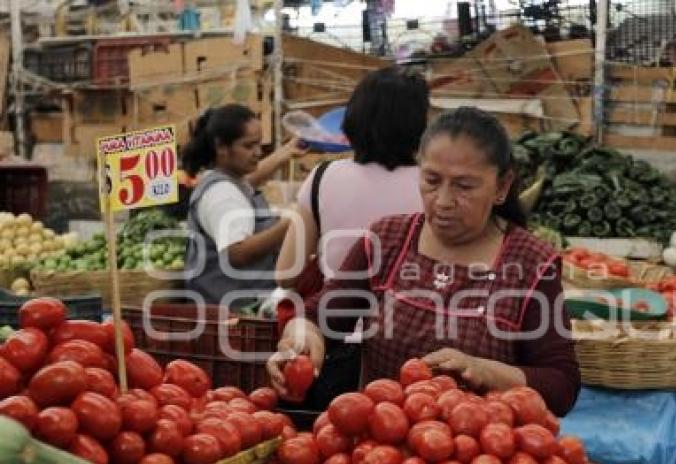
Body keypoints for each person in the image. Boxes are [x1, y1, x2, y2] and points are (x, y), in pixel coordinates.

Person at [267, 107, 581, 416]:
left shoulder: (530, 264)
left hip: (483, 459)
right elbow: (318, 313)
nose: (443, 201)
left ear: (501, 187)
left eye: (464, 186)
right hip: (382, 449)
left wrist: (484, 371)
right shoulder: (386, 239)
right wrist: (303, 335)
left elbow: (561, 386)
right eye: (431, 180)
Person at [274, 66, 429, 291]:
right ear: (419, 126)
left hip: (337, 317)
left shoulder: (323, 177)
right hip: (413, 318)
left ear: (353, 117)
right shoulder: (435, 186)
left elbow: (286, 274)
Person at [182, 104, 304, 306]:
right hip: (234, 311)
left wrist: (287, 151)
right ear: (221, 147)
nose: (258, 152)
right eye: (248, 146)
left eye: (259, 144)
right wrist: (293, 222)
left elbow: (250, 180)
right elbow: (236, 253)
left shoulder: (227, 179)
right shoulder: (222, 194)